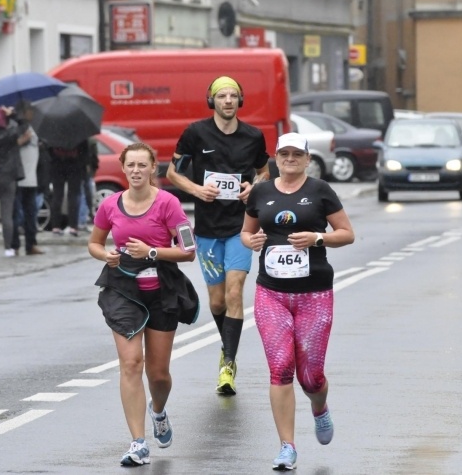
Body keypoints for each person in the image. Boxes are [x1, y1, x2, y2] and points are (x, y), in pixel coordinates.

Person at [240, 132, 355, 470]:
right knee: (280, 368)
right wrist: (251, 241)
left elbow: (347, 233)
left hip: (314, 294)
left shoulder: (320, 191)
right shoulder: (261, 191)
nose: (289, 159)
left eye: (296, 154)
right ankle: (287, 447)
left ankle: (319, 408)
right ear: (276, 158)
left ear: (307, 159)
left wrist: (318, 237)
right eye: (284, 153)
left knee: (311, 376)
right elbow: (246, 232)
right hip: (271, 293)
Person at [87, 142, 198, 467]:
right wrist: (104, 253)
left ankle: (158, 411)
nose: (136, 171)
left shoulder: (169, 204)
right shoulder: (109, 205)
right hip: (122, 288)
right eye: (130, 165)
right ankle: (138, 443)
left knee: (158, 374)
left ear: (153, 169)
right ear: (123, 168)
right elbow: (94, 242)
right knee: (131, 364)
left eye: (142, 165)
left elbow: (188, 250)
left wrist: (151, 251)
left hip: (162, 288)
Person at [166, 75, 270, 395]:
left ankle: (227, 363)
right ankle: (227, 345)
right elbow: (172, 173)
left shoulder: (254, 136)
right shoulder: (195, 133)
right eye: (221, 96)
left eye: (233, 96)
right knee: (217, 299)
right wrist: (197, 189)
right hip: (208, 228)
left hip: (242, 226)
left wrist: (254, 187)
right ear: (211, 100)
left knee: (235, 292)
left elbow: (264, 171)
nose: (228, 101)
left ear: (241, 101)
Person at [0, 107, 30, 257]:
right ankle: (8, 248)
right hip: (8, 179)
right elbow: (24, 126)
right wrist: (14, 114)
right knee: (7, 215)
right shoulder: (10, 134)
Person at [10, 102, 44, 255]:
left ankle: (31, 244)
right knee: (16, 214)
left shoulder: (31, 127)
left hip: (31, 178)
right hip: (19, 178)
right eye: (30, 110)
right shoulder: (16, 127)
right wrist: (20, 141)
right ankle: (14, 245)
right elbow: (9, 146)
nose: (33, 113)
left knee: (31, 214)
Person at [49, 139, 87, 237]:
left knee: (57, 196)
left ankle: (55, 226)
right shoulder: (79, 133)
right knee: (73, 196)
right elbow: (85, 152)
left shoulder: (54, 133)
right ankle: (73, 227)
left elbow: (49, 150)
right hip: (74, 166)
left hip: (57, 166)